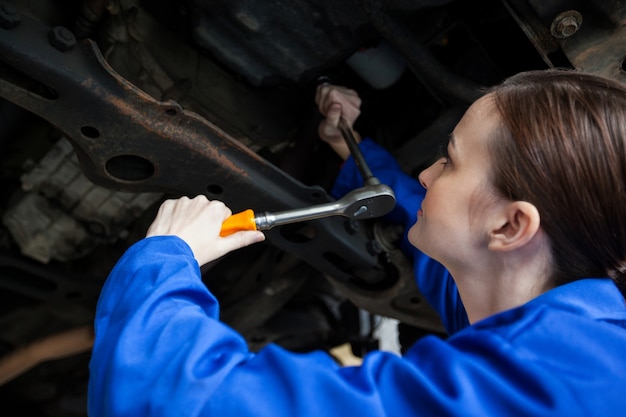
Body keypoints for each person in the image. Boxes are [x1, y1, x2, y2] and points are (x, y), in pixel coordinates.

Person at [88, 69, 626, 416]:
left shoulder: (560, 388)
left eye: (451, 161)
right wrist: (352, 148)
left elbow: (174, 401)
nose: (427, 174)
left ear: (511, 227)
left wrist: (164, 258)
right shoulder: (543, 311)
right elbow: (435, 231)